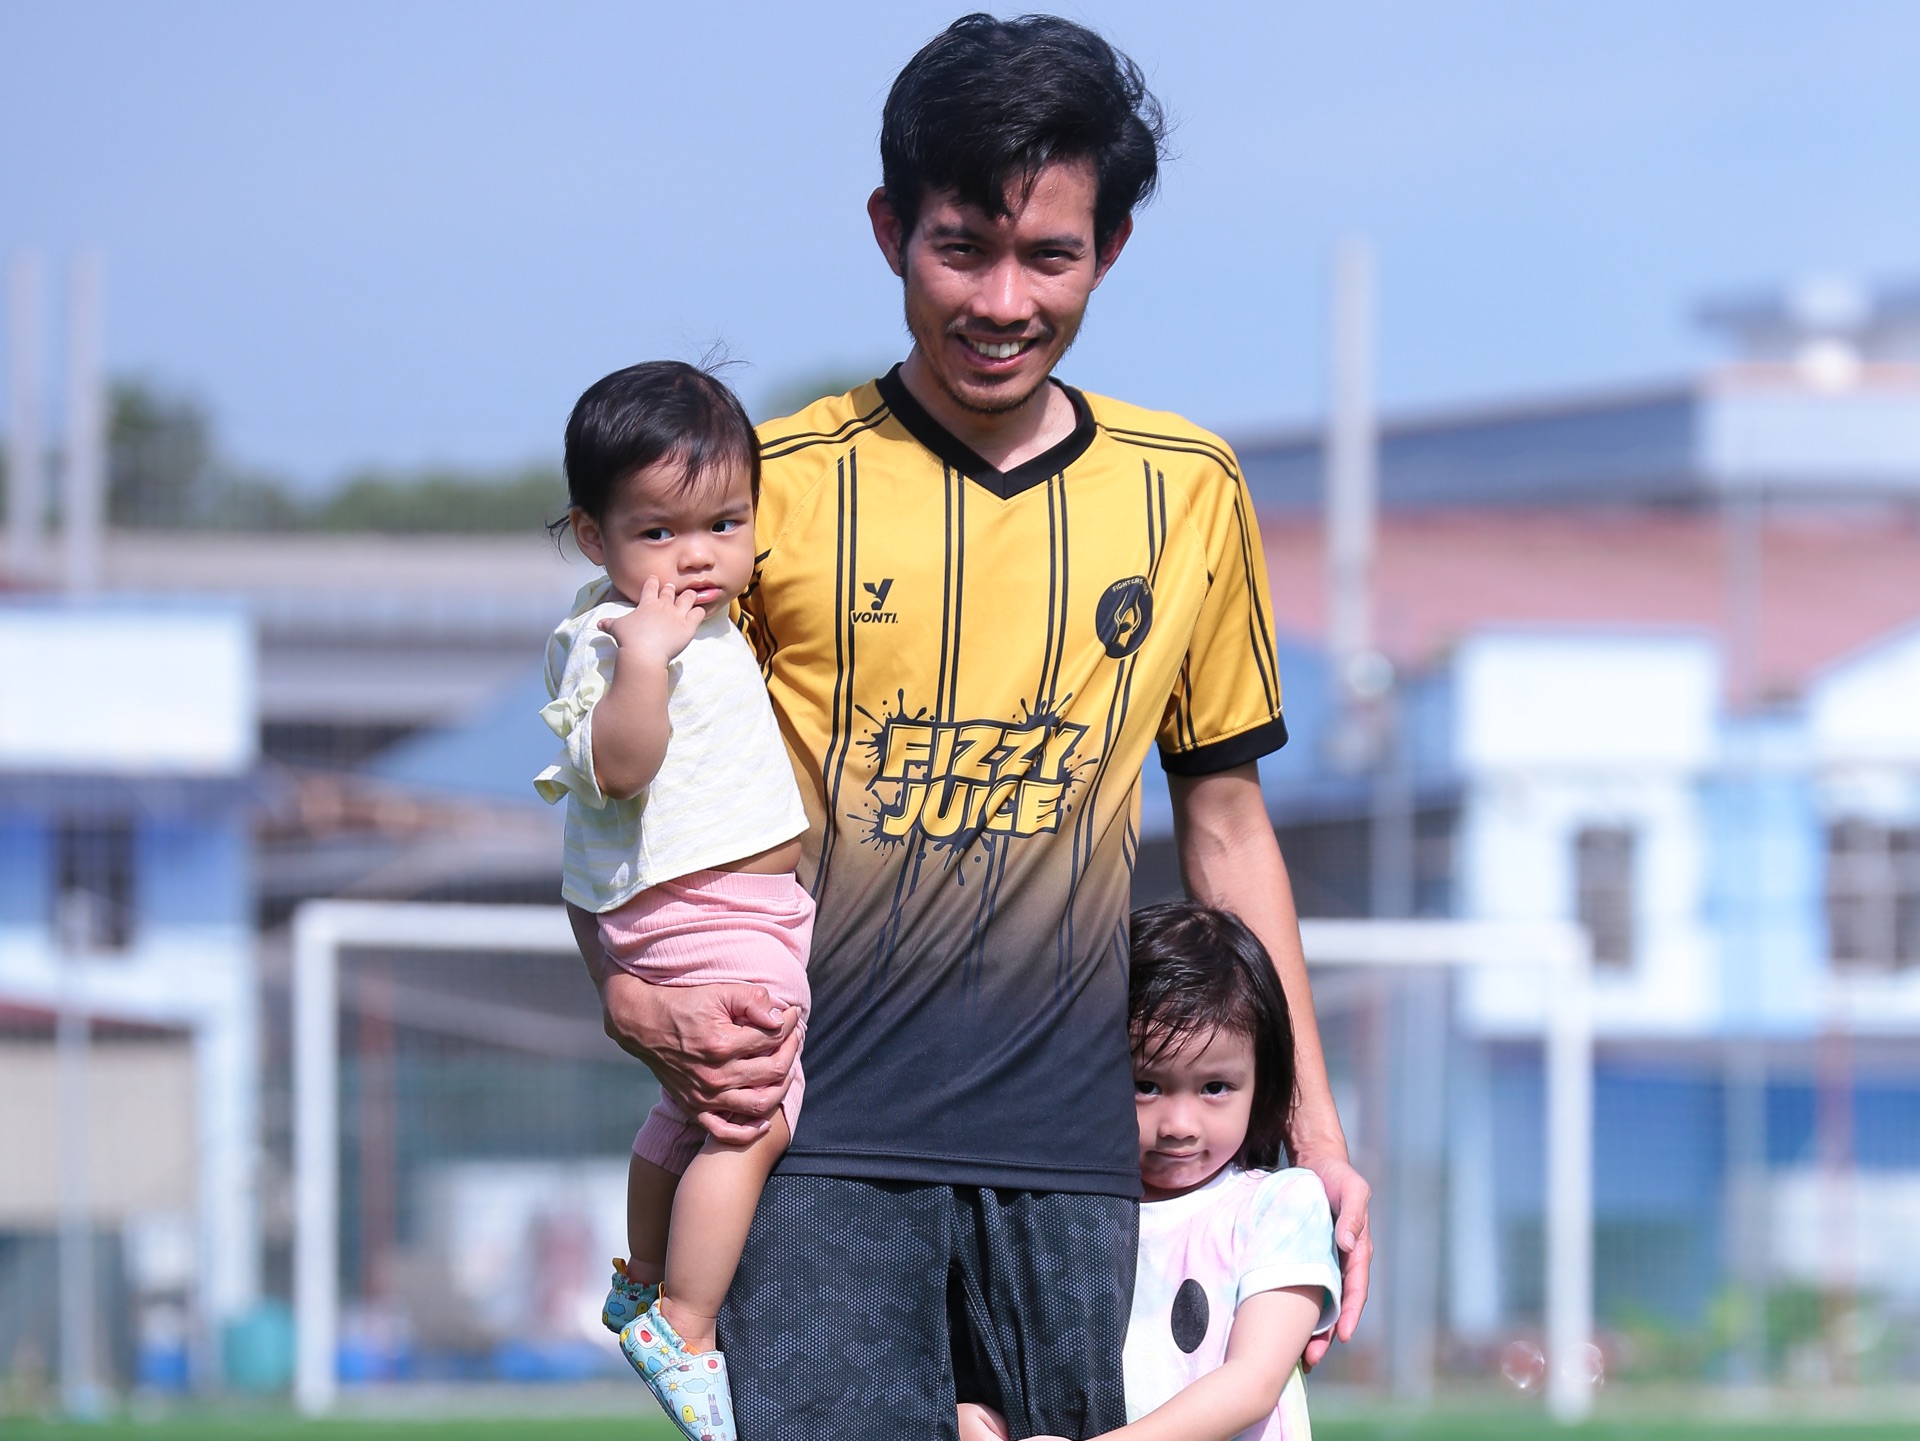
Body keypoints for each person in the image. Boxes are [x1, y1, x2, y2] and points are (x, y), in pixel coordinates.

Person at [578, 15, 1372, 1438]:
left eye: (1049, 256)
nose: (1002, 299)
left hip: (1083, 1158)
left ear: (1110, 249)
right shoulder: (767, 494)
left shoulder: (1190, 492)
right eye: (962, 249)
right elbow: (612, 789)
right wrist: (628, 995)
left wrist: (1313, 1125)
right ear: (890, 230)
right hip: (805, 1143)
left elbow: (1228, 827)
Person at [536, 361, 812, 1441]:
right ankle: (686, 1329)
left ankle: (643, 1277)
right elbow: (620, 766)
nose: (695, 555)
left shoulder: (693, 618)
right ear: (592, 536)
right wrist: (645, 663)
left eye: (724, 524)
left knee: (691, 1110)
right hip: (708, 921)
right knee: (755, 1115)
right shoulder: (616, 638)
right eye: (658, 532)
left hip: (724, 913)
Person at [959, 901, 1340, 1441]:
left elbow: (1253, 1384)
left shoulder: (1281, 1206)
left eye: (1215, 1088)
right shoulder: (1060, 1214)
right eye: (1146, 1086)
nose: (1179, 1126)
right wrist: (969, 1421)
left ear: (1262, 1083)